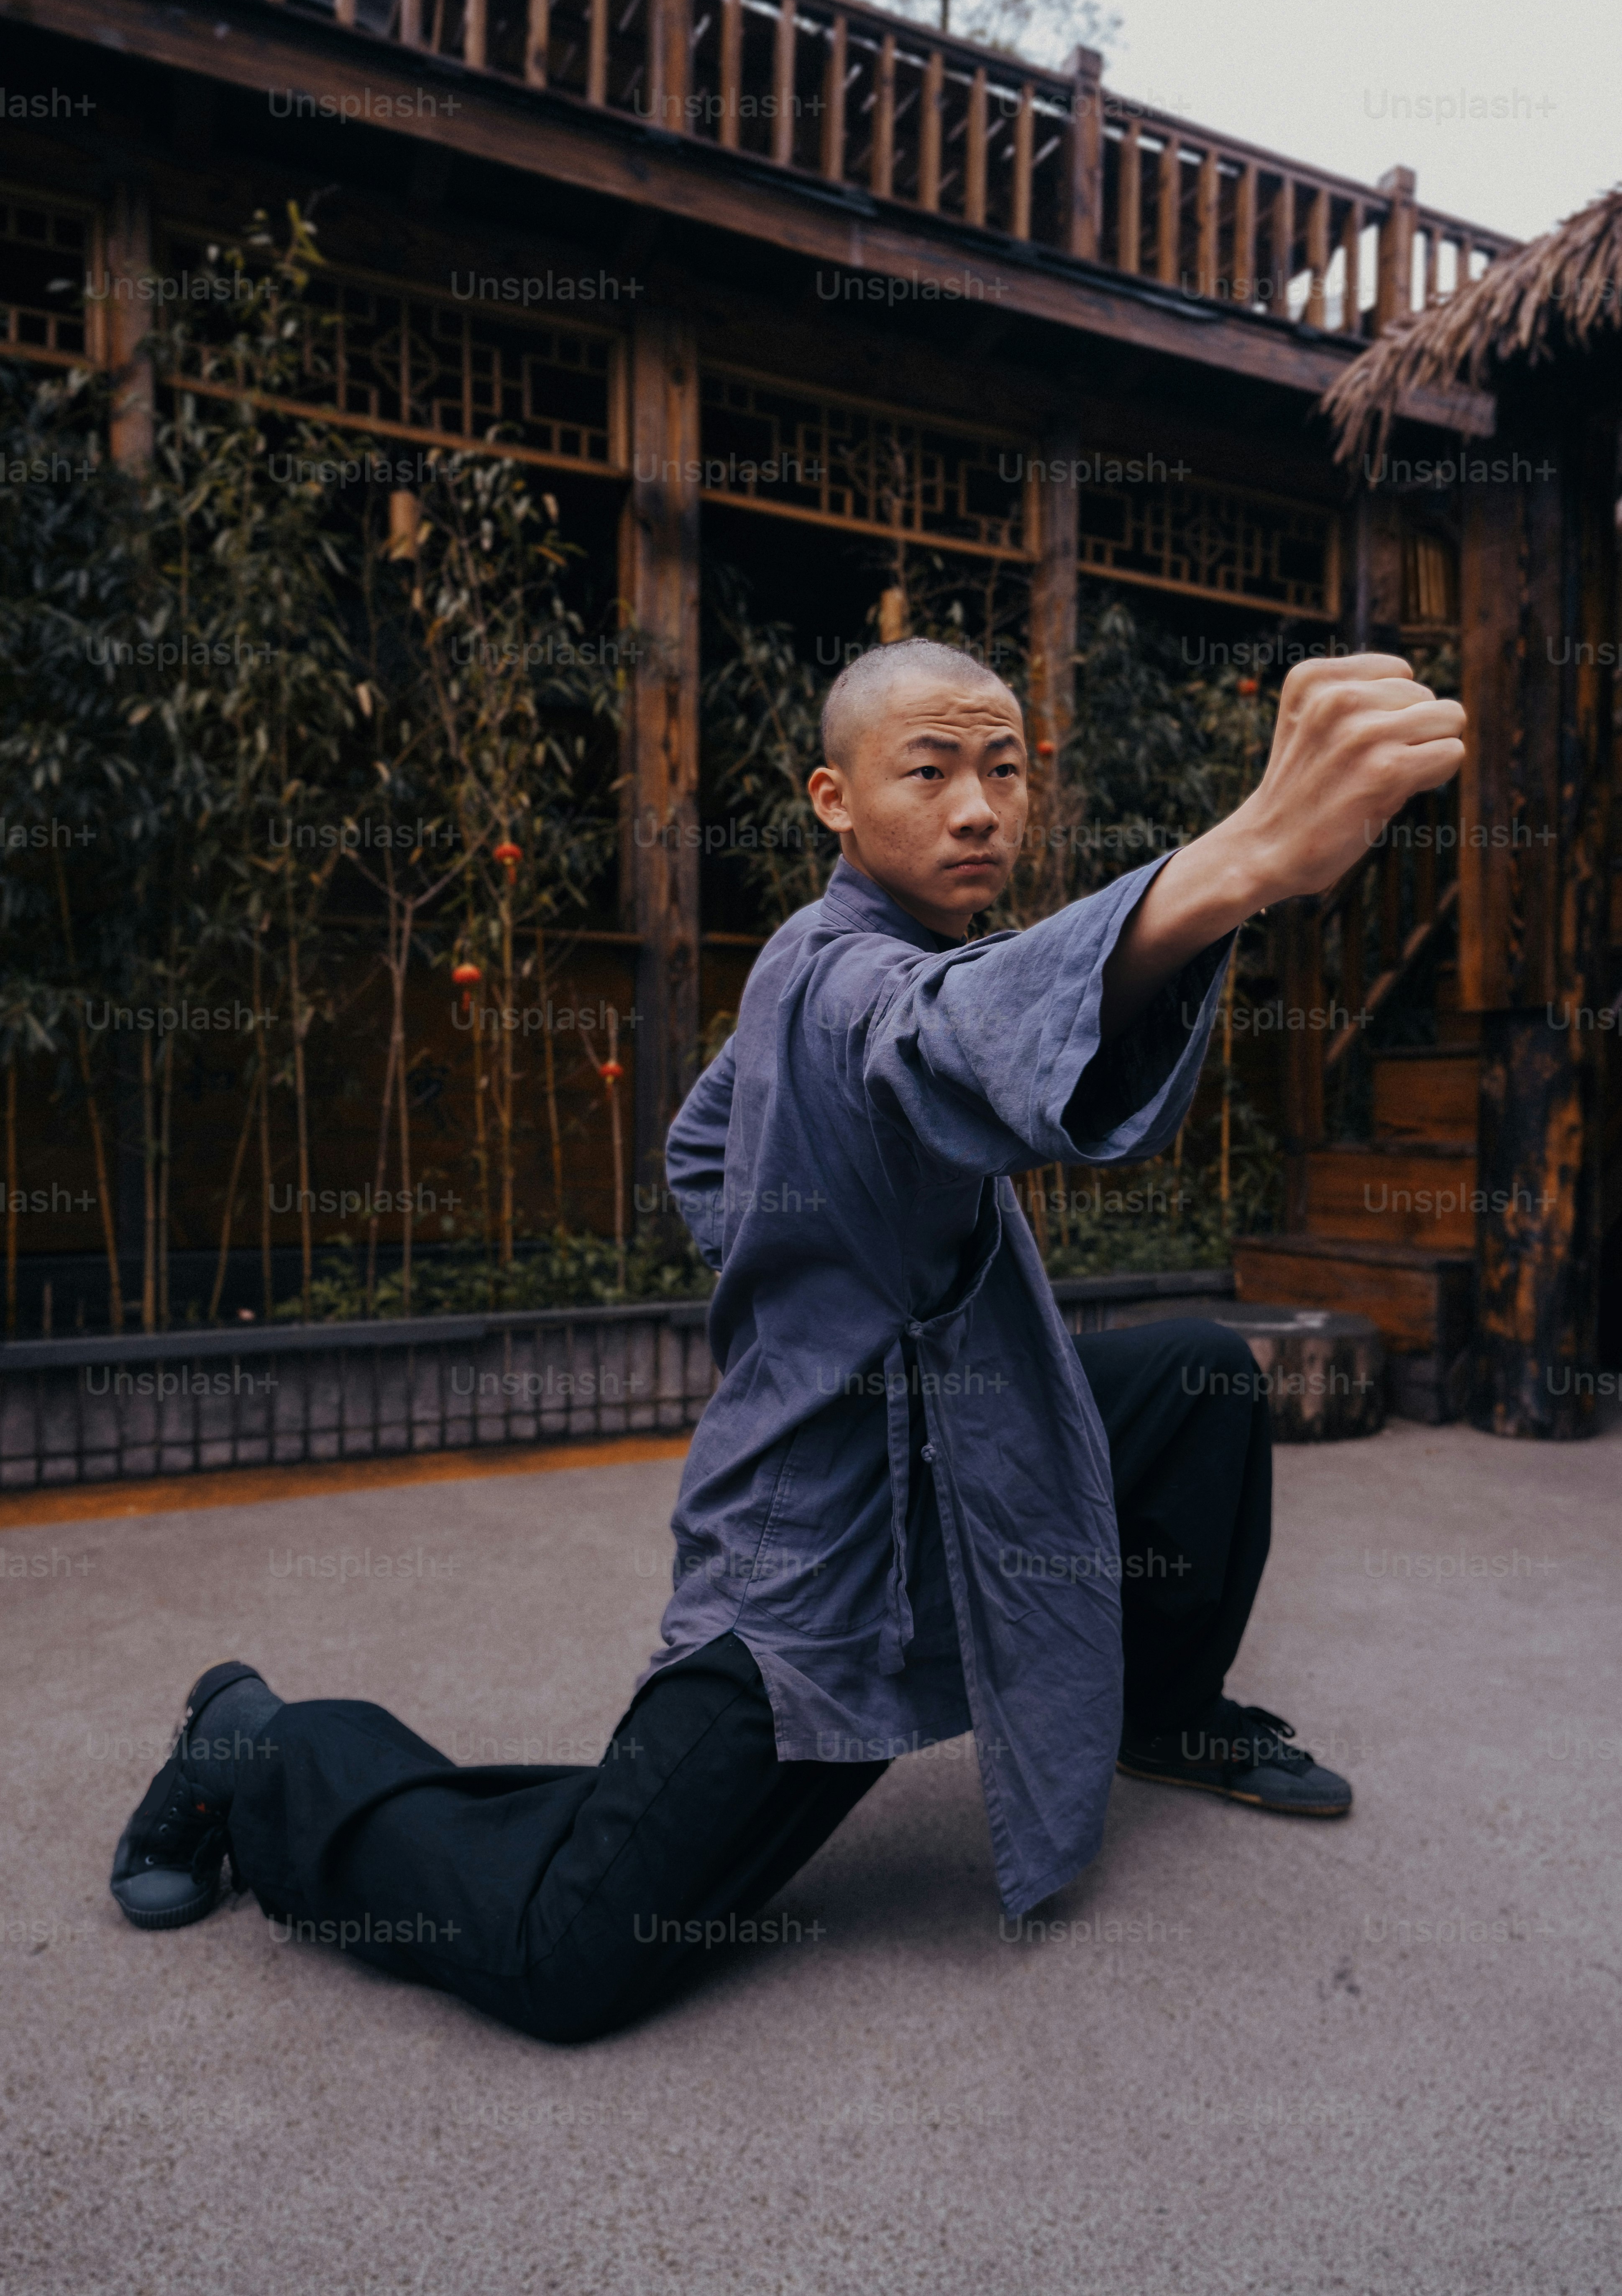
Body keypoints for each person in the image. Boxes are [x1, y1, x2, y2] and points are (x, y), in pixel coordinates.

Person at [109, 640, 1466, 2043]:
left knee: (1198, 1383)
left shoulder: (893, 962)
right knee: (568, 1948)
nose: (980, 809)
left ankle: (1164, 1708)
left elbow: (708, 1148)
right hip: (819, 1546)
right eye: (930, 772)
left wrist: (808, 1259)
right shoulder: (841, 978)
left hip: (960, 1425)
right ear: (834, 798)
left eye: (1003, 771)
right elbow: (943, 1031)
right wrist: (1242, 856)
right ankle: (258, 1748)